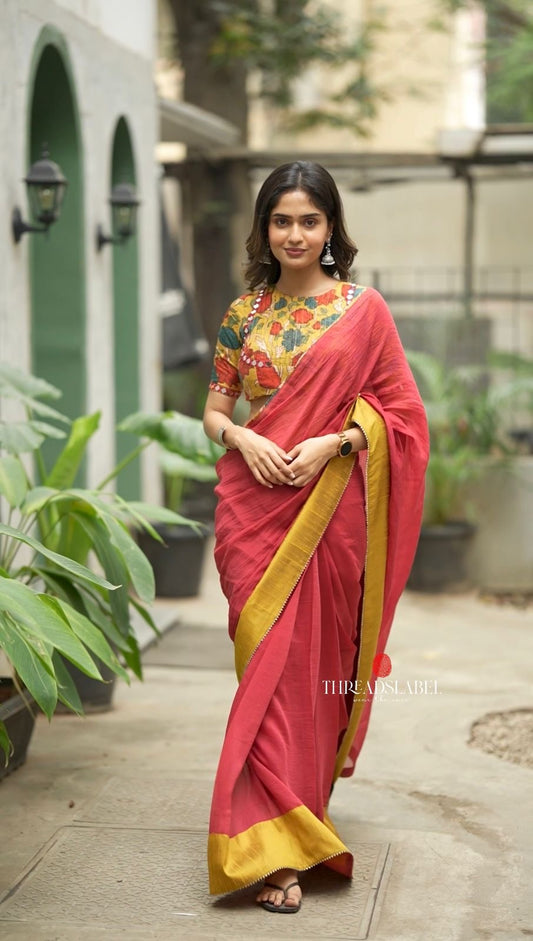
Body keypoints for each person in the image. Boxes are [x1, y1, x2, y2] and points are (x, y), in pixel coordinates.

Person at [203, 161, 429, 914]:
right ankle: (276, 829)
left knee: (309, 672)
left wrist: (337, 442)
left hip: (331, 511)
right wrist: (242, 438)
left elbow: (403, 417)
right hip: (251, 512)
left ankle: (285, 841)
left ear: (331, 228)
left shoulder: (363, 311)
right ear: (264, 228)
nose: (294, 234)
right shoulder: (244, 313)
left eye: (309, 220)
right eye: (281, 220)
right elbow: (215, 410)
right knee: (265, 670)